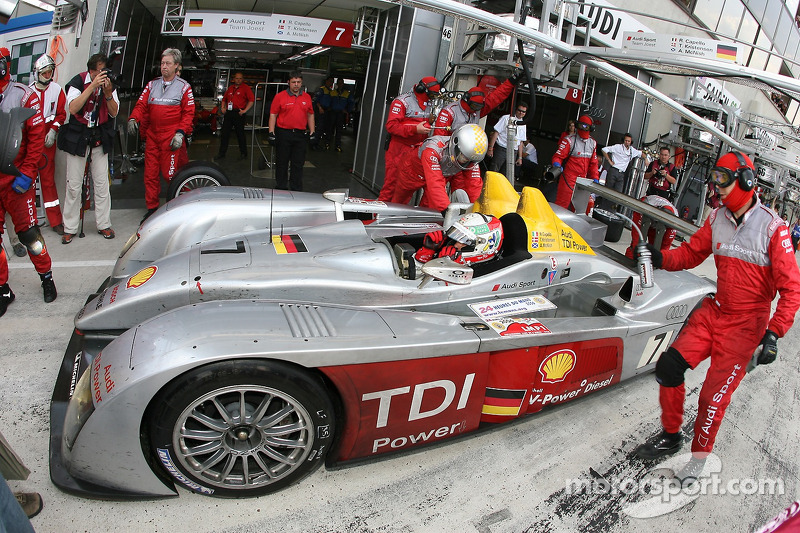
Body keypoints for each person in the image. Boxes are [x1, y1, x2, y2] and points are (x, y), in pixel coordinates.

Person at [633, 151, 800, 487]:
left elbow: (792, 289)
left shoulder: (773, 228)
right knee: (669, 367)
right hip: (715, 312)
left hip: (746, 327)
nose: (717, 187)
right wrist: (659, 256)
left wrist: (773, 333)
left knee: (711, 398)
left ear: (746, 181)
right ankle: (671, 435)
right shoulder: (717, 218)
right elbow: (692, 253)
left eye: (723, 179)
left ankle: (697, 461)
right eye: (715, 179)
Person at [0, 46, 56, 317]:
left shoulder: (24, 95)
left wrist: (27, 172)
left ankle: (46, 277)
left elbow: (36, 137)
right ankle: (2, 288)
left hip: (16, 178)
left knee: (30, 235)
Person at [128, 49, 195, 223]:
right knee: (149, 174)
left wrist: (180, 134)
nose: (164, 66)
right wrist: (134, 118)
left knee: (171, 175)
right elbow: (141, 105)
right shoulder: (152, 85)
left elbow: (189, 113)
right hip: (153, 136)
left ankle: (181, 206)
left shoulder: (184, 87)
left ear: (177, 66)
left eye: (168, 63)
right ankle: (152, 209)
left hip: (171, 137)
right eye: (162, 63)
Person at [58, 53, 119, 244]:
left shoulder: (110, 84)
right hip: (78, 138)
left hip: (99, 137)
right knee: (74, 185)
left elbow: (114, 112)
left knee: (101, 185)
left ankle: (103, 224)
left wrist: (108, 93)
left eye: (104, 70)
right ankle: (69, 227)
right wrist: (92, 87)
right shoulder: (77, 82)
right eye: (99, 71)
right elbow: (73, 108)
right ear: (91, 71)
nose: (103, 74)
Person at [392, 124, 487, 212]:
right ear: (456, 144)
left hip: (441, 174)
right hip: (413, 171)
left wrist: (479, 211)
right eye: (464, 157)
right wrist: (446, 210)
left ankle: (424, 228)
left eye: (468, 159)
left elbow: (474, 186)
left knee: (429, 209)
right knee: (399, 201)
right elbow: (435, 182)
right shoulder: (432, 149)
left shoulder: (471, 158)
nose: (465, 161)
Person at [377, 76, 440, 202]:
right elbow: (391, 126)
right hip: (398, 150)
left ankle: (397, 218)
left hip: (416, 151)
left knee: (407, 188)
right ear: (422, 89)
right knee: (391, 186)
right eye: (431, 95)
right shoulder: (402, 102)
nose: (432, 98)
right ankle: (378, 217)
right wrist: (415, 129)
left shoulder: (430, 103)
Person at [29, 54, 67, 235]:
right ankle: (30, 223)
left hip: (47, 144)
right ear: (37, 73)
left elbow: (61, 115)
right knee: (27, 184)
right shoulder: (28, 92)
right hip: (31, 143)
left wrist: (53, 130)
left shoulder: (57, 90)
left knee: (48, 182)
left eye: (49, 72)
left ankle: (55, 221)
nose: (47, 75)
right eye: (44, 73)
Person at [267, 71, 316, 192]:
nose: (296, 85)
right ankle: (281, 187)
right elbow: (273, 114)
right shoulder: (280, 96)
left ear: (302, 83)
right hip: (283, 133)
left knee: (298, 163)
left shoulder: (307, 97)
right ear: (288, 82)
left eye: (298, 82)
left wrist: (312, 131)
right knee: (282, 162)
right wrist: (271, 132)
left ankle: (296, 188)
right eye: (293, 82)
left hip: (300, 135)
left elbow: (310, 115)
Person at [413, 212, 503, 276]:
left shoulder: (486, 275)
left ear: (482, 247)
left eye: (464, 242)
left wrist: (449, 270)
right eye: (457, 236)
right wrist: (426, 253)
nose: (455, 245)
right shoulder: (449, 253)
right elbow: (413, 277)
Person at [432, 73, 519, 136]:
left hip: (467, 150)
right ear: (466, 100)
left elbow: (496, 97)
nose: (476, 109)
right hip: (450, 150)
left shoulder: (477, 110)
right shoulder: (449, 112)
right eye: (474, 106)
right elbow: (439, 136)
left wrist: (511, 82)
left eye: (479, 107)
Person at [551, 114, 599, 211]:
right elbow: (558, 156)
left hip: (583, 181)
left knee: (580, 209)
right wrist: (557, 165)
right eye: (581, 125)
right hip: (568, 178)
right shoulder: (569, 140)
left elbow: (594, 163)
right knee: (561, 206)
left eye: (586, 126)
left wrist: (595, 177)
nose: (583, 128)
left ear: (591, 128)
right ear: (577, 125)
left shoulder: (592, 143)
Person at [214, 71, 254, 161]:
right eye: (237, 78)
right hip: (229, 113)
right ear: (234, 79)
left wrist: (244, 111)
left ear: (242, 79)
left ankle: (243, 153)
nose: (238, 80)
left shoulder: (246, 88)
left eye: (240, 78)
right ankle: (222, 153)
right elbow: (224, 99)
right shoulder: (230, 88)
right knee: (224, 133)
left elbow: (251, 100)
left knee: (240, 134)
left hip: (239, 113)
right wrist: (223, 107)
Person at [623, 194, 677, 259]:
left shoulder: (674, 224)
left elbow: (665, 248)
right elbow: (637, 238)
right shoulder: (645, 205)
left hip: (664, 220)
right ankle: (629, 261)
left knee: (660, 252)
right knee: (637, 244)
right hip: (644, 209)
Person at [599, 132, 643, 211]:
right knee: (608, 190)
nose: (627, 142)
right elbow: (604, 150)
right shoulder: (617, 147)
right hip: (613, 170)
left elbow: (641, 153)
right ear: (623, 141)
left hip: (622, 173)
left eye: (629, 141)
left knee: (618, 194)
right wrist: (609, 160)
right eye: (626, 140)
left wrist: (646, 159)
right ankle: (603, 208)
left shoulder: (632, 151)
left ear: (631, 142)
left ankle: (611, 210)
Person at [488, 103, 527, 175]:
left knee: (507, 174)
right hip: (502, 148)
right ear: (516, 110)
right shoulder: (506, 118)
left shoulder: (523, 124)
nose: (521, 113)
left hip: (513, 152)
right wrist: (490, 148)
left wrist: (520, 157)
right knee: (494, 171)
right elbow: (496, 132)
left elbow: (521, 142)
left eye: (523, 111)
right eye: (519, 110)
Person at [327, 78, 355, 152]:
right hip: (333, 112)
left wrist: (347, 111)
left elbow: (351, 103)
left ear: (343, 84)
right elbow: (328, 101)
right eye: (339, 83)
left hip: (341, 113)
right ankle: (327, 144)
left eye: (341, 83)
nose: (340, 85)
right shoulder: (332, 92)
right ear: (337, 84)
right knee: (330, 128)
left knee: (339, 130)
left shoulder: (347, 94)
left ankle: (337, 145)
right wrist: (329, 108)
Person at [313, 76, 334, 150]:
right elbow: (315, 100)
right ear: (326, 81)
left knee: (323, 128)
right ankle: (314, 144)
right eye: (329, 81)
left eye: (332, 81)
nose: (330, 82)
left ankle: (317, 143)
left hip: (327, 111)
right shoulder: (321, 89)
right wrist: (320, 107)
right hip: (320, 110)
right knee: (319, 127)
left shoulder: (331, 91)